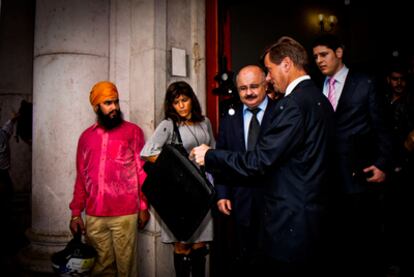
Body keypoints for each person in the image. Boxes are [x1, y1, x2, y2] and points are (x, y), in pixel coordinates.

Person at [191, 36, 335, 276]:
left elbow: (259, 161)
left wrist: (211, 156)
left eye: (268, 70)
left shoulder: (292, 104)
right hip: (312, 215)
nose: (268, 78)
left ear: (286, 64)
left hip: (292, 220)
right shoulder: (320, 99)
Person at [312, 34, 393, 277]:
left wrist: (383, 164)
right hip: (326, 178)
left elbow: (383, 126)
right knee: (334, 243)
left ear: (339, 52)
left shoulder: (365, 82)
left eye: (323, 54)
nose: (319, 60)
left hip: (360, 175)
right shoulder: (317, 86)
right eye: (315, 56)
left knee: (362, 242)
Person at [69, 81, 150, 277]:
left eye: (116, 102)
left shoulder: (133, 132)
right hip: (95, 215)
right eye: (108, 103)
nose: (114, 107)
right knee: (100, 269)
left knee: (126, 270)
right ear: (96, 106)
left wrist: (144, 206)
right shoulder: (85, 138)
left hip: (125, 214)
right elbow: (82, 176)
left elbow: (142, 172)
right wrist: (75, 213)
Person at [140, 81, 215, 277]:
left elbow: (213, 150)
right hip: (179, 194)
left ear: (192, 100)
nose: (181, 105)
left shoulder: (205, 122)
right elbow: (147, 153)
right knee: (182, 246)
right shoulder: (168, 124)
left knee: (200, 245)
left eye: (184, 100)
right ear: (171, 105)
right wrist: (177, 165)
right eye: (176, 102)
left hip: (201, 190)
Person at [213, 64, 276, 276]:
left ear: (266, 84)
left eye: (254, 86)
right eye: (242, 88)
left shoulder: (281, 112)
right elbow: (221, 155)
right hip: (241, 201)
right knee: (244, 260)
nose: (248, 93)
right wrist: (222, 193)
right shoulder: (229, 117)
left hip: (276, 202)